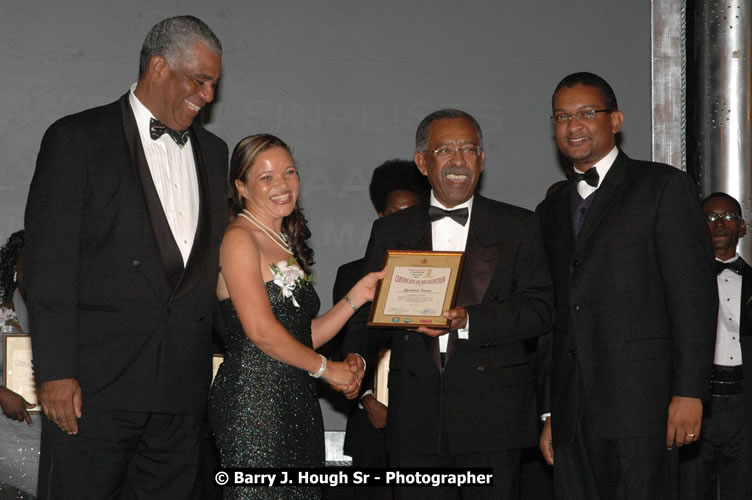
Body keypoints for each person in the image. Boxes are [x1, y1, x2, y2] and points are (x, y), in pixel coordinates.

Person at [24, 16, 228, 498]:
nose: (208, 96)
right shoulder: (76, 139)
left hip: (181, 393)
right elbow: (49, 267)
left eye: (215, 84)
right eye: (199, 81)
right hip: (93, 390)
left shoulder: (215, 152)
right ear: (158, 67)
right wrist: (55, 373)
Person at [344, 109, 555, 499]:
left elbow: (540, 310)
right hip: (413, 418)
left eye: (469, 149)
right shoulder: (391, 230)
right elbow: (366, 314)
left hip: (493, 416)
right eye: (445, 150)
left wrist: (469, 321)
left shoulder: (519, 226)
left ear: (482, 159)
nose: (459, 160)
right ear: (423, 163)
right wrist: (357, 357)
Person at [536, 72, 718, 499]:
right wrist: (550, 410)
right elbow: (554, 316)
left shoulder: (662, 186)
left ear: (615, 120)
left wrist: (690, 391)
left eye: (586, 113)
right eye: (562, 116)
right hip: (571, 412)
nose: (572, 125)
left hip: (643, 407)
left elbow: (693, 297)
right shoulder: (549, 208)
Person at [208, 134, 382, 500]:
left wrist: (357, 296)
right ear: (241, 186)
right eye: (266, 177)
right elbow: (260, 331)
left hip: (295, 399)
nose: (283, 184)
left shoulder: (282, 239)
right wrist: (325, 368)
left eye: (289, 172)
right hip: (255, 403)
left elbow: (301, 335)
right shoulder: (239, 238)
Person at [333, 159, 429, 499]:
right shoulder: (352, 274)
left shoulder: (436, 273)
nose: (402, 221)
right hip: (370, 422)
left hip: (425, 418)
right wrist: (368, 400)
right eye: (393, 213)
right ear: (380, 217)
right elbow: (343, 344)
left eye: (411, 212)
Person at [680, 192, 752, 499]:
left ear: (742, 227)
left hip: (745, 405)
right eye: (710, 217)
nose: (719, 224)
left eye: (728, 217)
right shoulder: (677, 284)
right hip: (696, 401)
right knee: (693, 489)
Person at [0, 230, 41, 497]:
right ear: (17, 263)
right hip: (9, 443)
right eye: (32, 258)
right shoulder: (3, 314)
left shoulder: (68, 314)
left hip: (58, 440)